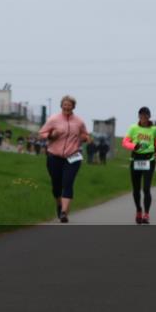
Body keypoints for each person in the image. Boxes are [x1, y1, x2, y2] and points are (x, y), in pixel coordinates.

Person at [38, 95, 91, 223]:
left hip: (73, 157)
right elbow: (41, 134)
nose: (67, 106)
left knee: (68, 183)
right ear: (61, 106)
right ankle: (59, 204)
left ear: (73, 106)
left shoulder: (79, 121)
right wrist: (51, 135)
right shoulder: (53, 119)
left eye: (70, 104)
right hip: (54, 156)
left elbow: (85, 134)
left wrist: (84, 138)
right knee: (56, 186)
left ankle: (64, 212)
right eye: (65, 104)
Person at [123, 107, 156, 224]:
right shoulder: (133, 128)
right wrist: (134, 146)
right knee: (136, 189)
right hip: (136, 159)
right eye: (141, 116)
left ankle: (146, 214)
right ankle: (139, 210)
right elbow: (125, 142)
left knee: (146, 188)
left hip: (149, 159)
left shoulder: (153, 129)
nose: (143, 118)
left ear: (149, 116)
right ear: (139, 116)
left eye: (146, 116)